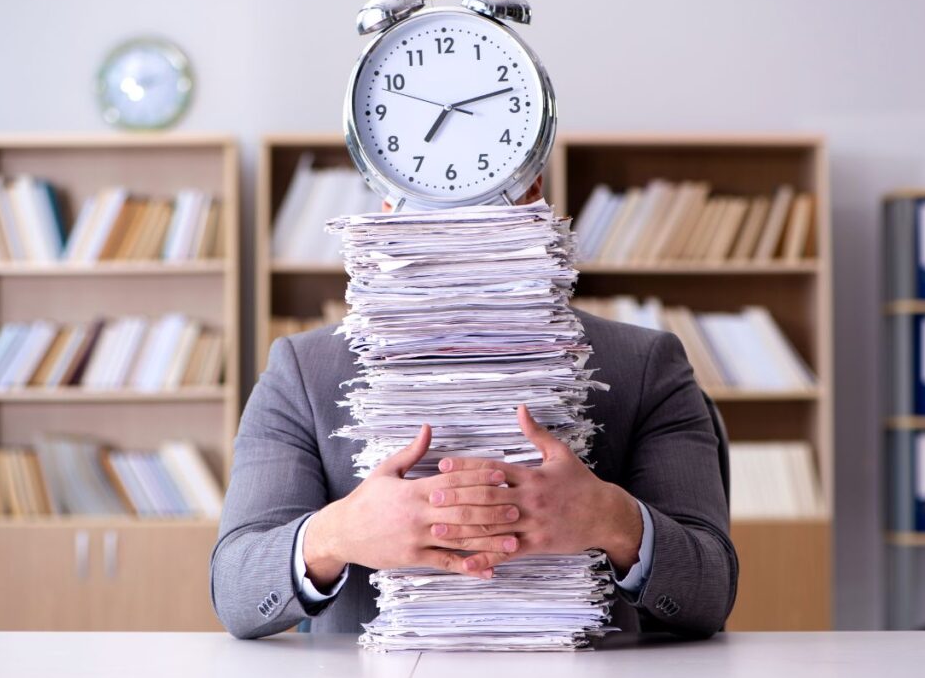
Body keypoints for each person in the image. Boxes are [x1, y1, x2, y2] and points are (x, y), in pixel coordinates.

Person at [210, 176, 738, 639]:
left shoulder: (646, 363)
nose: (455, 222)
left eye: (478, 190)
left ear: (531, 195)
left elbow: (710, 592)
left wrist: (615, 521)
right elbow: (235, 592)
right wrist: (336, 535)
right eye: (428, 194)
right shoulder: (303, 369)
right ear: (388, 206)